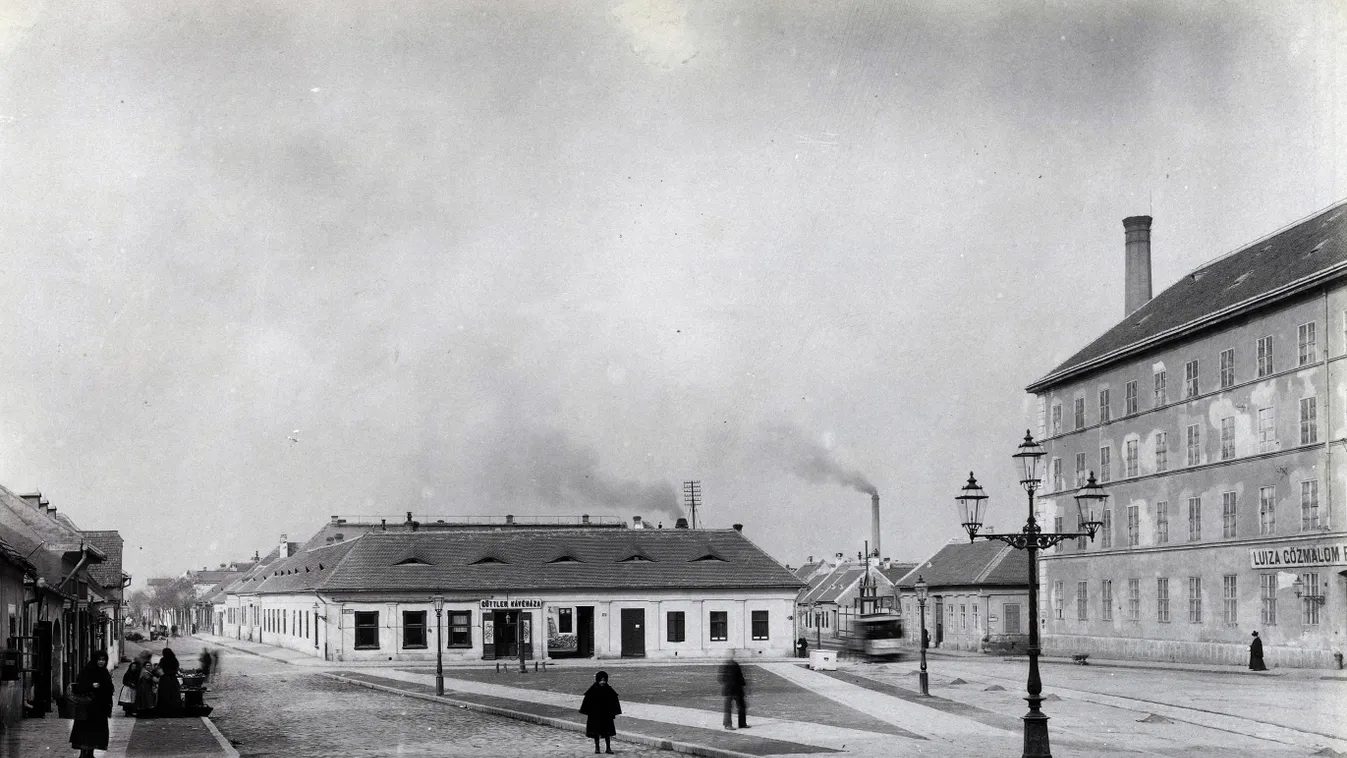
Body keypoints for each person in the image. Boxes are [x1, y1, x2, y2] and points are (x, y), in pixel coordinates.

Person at [69, 649, 113, 758]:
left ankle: (91, 754)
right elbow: (77, 687)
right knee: (85, 732)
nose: (101, 662)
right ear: (95, 660)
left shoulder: (105, 672)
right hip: (87, 708)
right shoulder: (87, 671)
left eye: (103, 660)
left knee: (95, 733)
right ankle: (83, 754)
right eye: (99, 660)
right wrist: (91, 685)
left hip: (100, 708)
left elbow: (109, 690)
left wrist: (109, 707)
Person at [578, 670, 621, 754]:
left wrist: (612, 711)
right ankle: (597, 748)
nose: (602, 682)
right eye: (601, 680)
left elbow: (614, 700)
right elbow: (587, 701)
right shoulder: (593, 689)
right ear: (597, 680)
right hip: (595, 715)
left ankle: (608, 748)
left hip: (606, 714)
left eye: (604, 680)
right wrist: (590, 711)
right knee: (596, 732)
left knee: (607, 732)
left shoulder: (609, 689)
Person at [718, 651, 748, 730]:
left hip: (736, 689)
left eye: (732, 654)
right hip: (730, 690)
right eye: (730, 654)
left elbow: (740, 676)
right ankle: (728, 725)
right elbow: (721, 678)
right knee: (728, 708)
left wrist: (743, 685)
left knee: (741, 707)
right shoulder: (727, 665)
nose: (731, 655)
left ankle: (742, 724)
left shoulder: (734, 664)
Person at [121, 650, 151, 715]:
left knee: (132, 699)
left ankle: (131, 711)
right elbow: (125, 680)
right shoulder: (130, 672)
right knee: (128, 700)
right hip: (129, 687)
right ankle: (128, 712)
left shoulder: (141, 663)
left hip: (134, 686)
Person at [155, 647, 183, 717]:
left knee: (164, 694)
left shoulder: (163, 660)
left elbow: (159, 668)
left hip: (164, 679)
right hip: (173, 679)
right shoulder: (174, 660)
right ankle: (174, 711)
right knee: (174, 695)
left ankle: (164, 711)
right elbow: (176, 669)